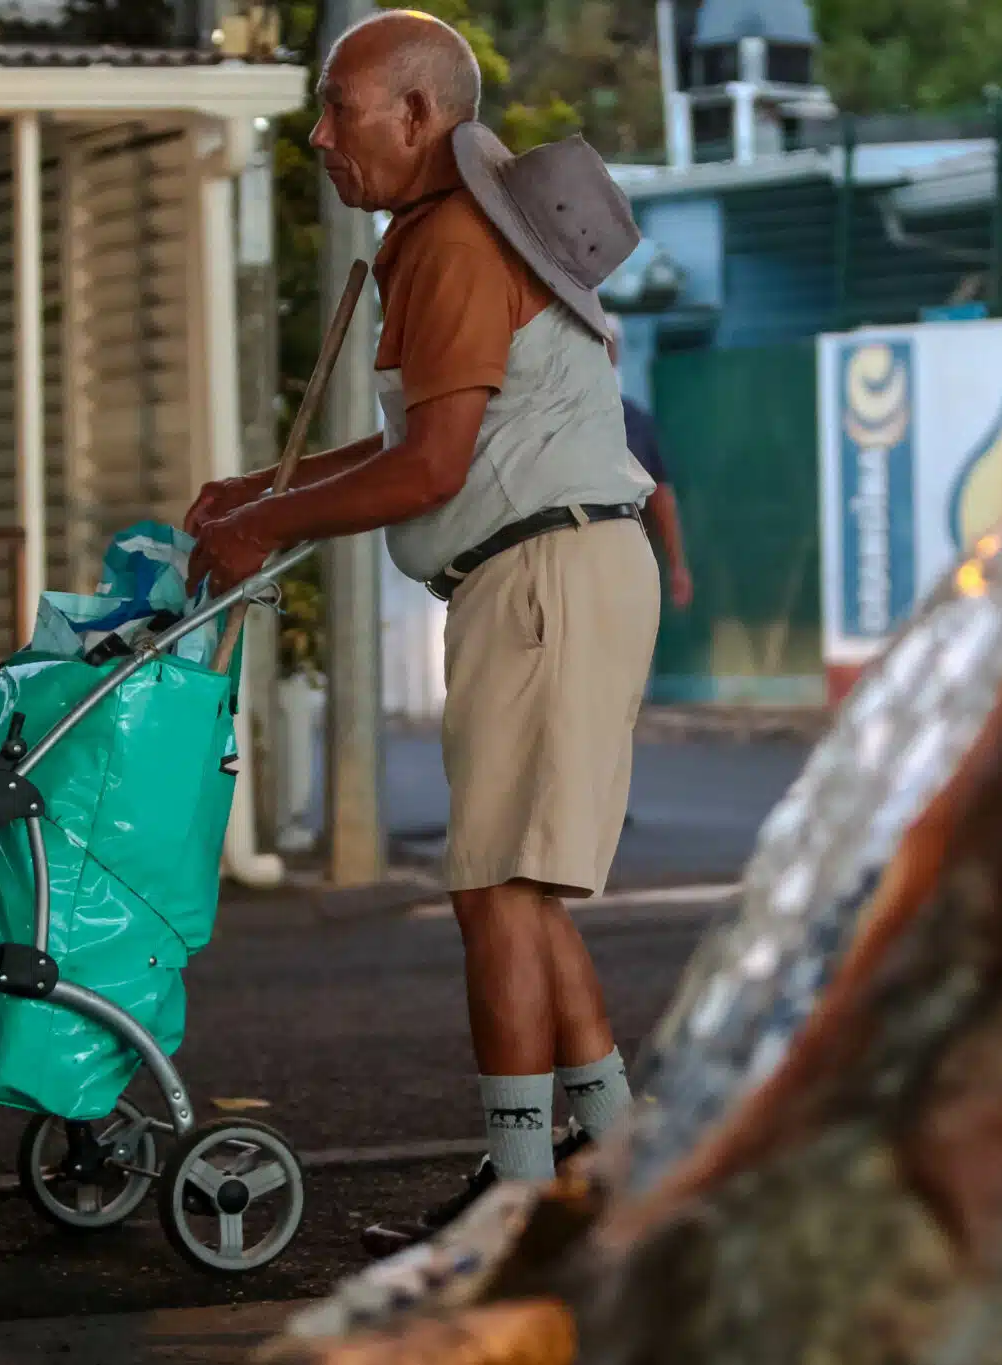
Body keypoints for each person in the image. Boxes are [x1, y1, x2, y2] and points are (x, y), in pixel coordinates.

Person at [180, 10, 660, 1255]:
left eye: (339, 110)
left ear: (417, 114)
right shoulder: (450, 230)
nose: (319, 139)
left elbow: (432, 468)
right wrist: (257, 498)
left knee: (495, 891)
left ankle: (516, 1195)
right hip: (550, 572)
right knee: (516, 889)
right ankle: (606, 1158)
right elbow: (428, 444)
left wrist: (267, 523)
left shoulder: (451, 241)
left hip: (542, 575)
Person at [603, 315, 693, 610]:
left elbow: (661, 497)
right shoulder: (556, 419)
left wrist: (677, 566)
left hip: (626, 565)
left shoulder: (637, 422)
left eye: (609, 345)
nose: (603, 352)